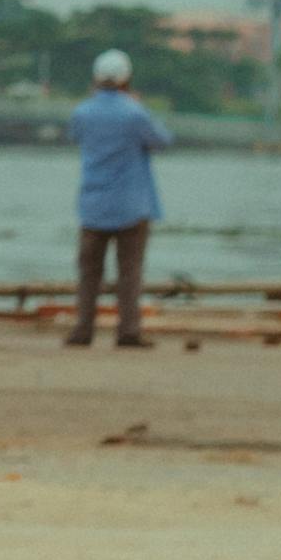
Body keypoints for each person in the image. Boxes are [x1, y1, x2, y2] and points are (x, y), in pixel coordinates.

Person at [70, 46, 168, 349]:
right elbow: (162, 141)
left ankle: (83, 330)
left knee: (89, 274)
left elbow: (74, 136)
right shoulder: (135, 113)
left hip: (94, 204)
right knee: (130, 273)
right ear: (127, 79)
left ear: (96, 78)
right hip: (131, 204)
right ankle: (128, 331)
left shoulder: (82, 112)